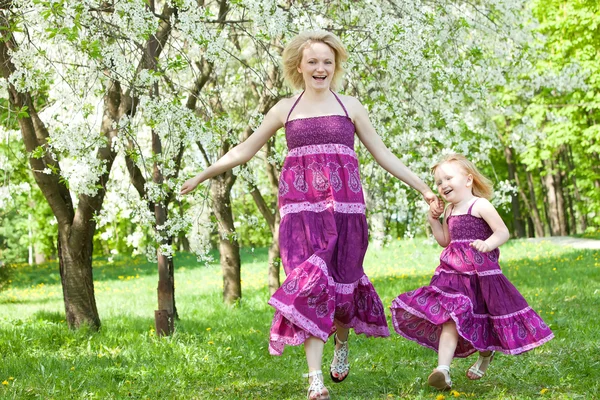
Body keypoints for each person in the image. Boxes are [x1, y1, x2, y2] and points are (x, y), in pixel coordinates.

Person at [181, 30, 438, 400]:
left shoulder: (351, 106)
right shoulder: (285, 109)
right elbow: (245, 149)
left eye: (327, 62)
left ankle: (342, 342)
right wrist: (203, 174)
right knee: (309, 287)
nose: (321, 68)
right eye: (313, 61)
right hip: (300, 215)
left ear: (335, 67)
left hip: (345, 211)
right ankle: (315, 380)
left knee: (342, 288)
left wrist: (424, 188)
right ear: (299, 66)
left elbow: (384, 155)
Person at [390, 154, 554, 391]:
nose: (443, 185)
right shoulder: (448, 211)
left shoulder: (480, 205)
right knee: (450, 319)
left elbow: (502, 232)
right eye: (438, 182)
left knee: (484, 321)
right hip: (453, 276)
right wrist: (434, 221)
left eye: (448, 178)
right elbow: (445, 241)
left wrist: (488, 244)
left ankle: (485, 356)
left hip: (481, 276)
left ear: (468, 180)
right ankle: (443, 371)